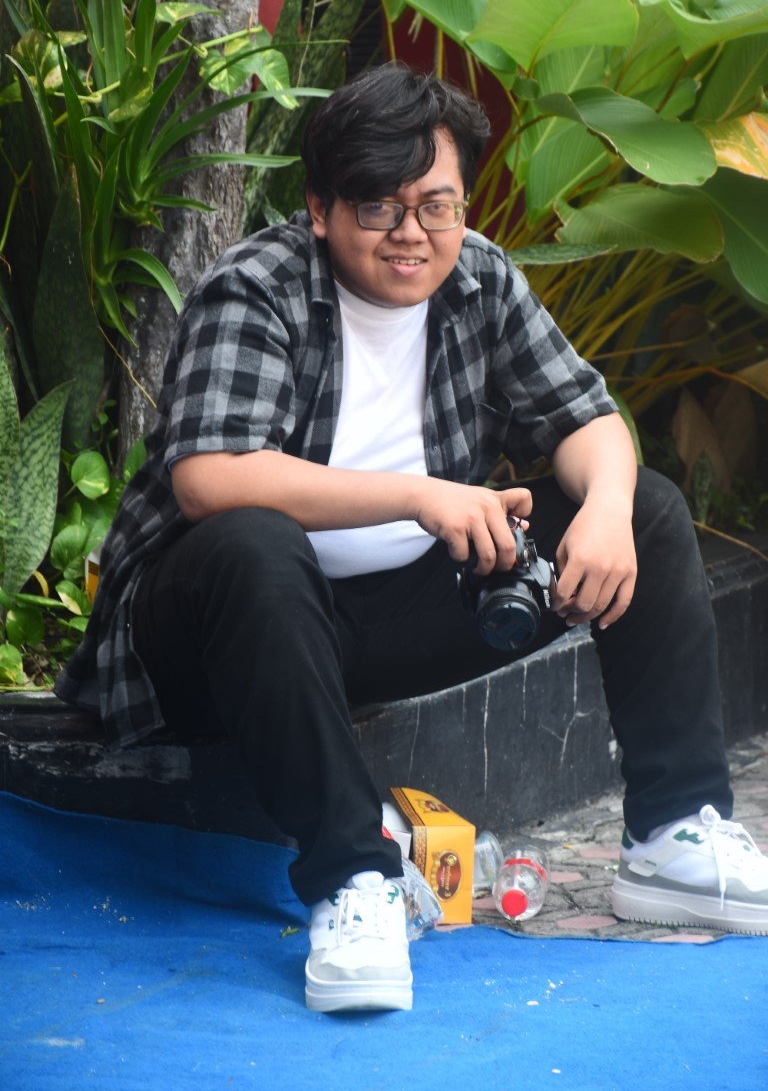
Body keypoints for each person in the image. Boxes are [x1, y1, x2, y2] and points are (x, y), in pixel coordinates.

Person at [56, 62, 768, 1014]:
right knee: (255, 543)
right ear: (318, 208)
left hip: (388, 615)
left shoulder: (477, 273)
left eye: (435, 206)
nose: (412, 236)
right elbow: (210, 478)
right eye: (378, 209)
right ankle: (357, 881)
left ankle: (674, 834)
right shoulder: (260, 286)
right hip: (219, 636)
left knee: (644, 508)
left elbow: (587, 419)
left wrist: (601, 505)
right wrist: (420, 495)